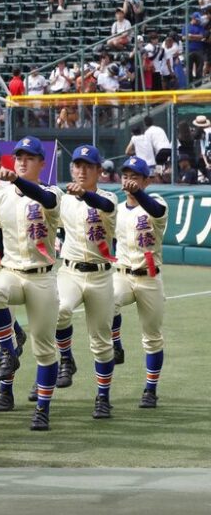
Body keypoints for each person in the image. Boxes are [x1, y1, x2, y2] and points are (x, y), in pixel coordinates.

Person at [0, 137, 63, 430]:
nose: (22, 160)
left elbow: (43, 200)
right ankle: (8, 353)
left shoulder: (51, 192)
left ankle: (42, 408)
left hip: (42, 276)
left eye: (30, 157)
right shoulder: (2, 195)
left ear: (41, 163)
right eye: (19, 156)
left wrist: (18, 180)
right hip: (11, 271)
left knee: (44, 348)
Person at [55, 145, 119, 419]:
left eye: (87, 166)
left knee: (102, 343)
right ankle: (66, 358)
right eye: (77, 166)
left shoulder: (109, 198)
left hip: (101, 275)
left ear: (98, 171)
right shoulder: (63, 198)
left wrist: (86, 195)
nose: (81, 171)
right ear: (71, 170)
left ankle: (103, 397)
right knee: (59, 312)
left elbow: (103, 206)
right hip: (70, 271)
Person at [111, 157, 167, 408]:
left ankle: (150, 390)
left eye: (135, 176)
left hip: (149, 278)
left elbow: (155, 211)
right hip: (122, 274)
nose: (128, 179)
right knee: (107, 303)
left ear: (146, 180)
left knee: (152, 337)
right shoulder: (117, 209)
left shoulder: (156, 203)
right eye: (126, 175)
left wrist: (139, 194)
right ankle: (116, 345)